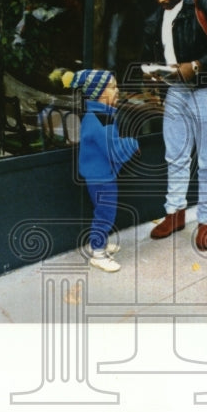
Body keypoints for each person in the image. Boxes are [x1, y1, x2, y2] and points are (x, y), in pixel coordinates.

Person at [143, 0, 207, 250]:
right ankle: (175, 213)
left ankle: (206, 221)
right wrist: (156, 73)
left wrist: (196, 66)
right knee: (175, 155)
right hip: (176, 90)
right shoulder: (157, 17)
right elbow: (153, 52)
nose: (160, 0)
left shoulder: (204, 4)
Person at [69, 68, 139, 272]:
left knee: (103, 211)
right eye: (112, 87)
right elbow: (114, 150)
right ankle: (98, 254)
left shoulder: (100, 115)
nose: (117, 91)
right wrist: (133, 143)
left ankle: (99, 242)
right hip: (100, 177)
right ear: (97, 92)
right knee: (105, 213)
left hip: (100, 174)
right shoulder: (99, 119)